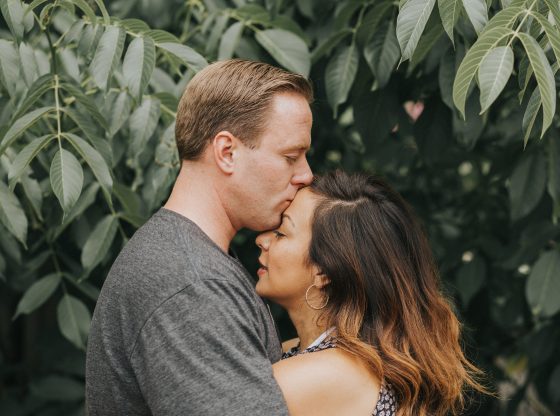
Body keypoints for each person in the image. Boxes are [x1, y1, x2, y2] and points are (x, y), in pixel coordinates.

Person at [85, 59, 313, 415]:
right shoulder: (192, 284)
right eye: (291, 156)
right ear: (226, 152)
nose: (306, 175)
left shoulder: (196, 262)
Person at [256, 170, 487, 416]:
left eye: (281, 233)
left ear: (324, 272)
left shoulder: (326, 374)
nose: (262, 240)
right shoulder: (320, 356)